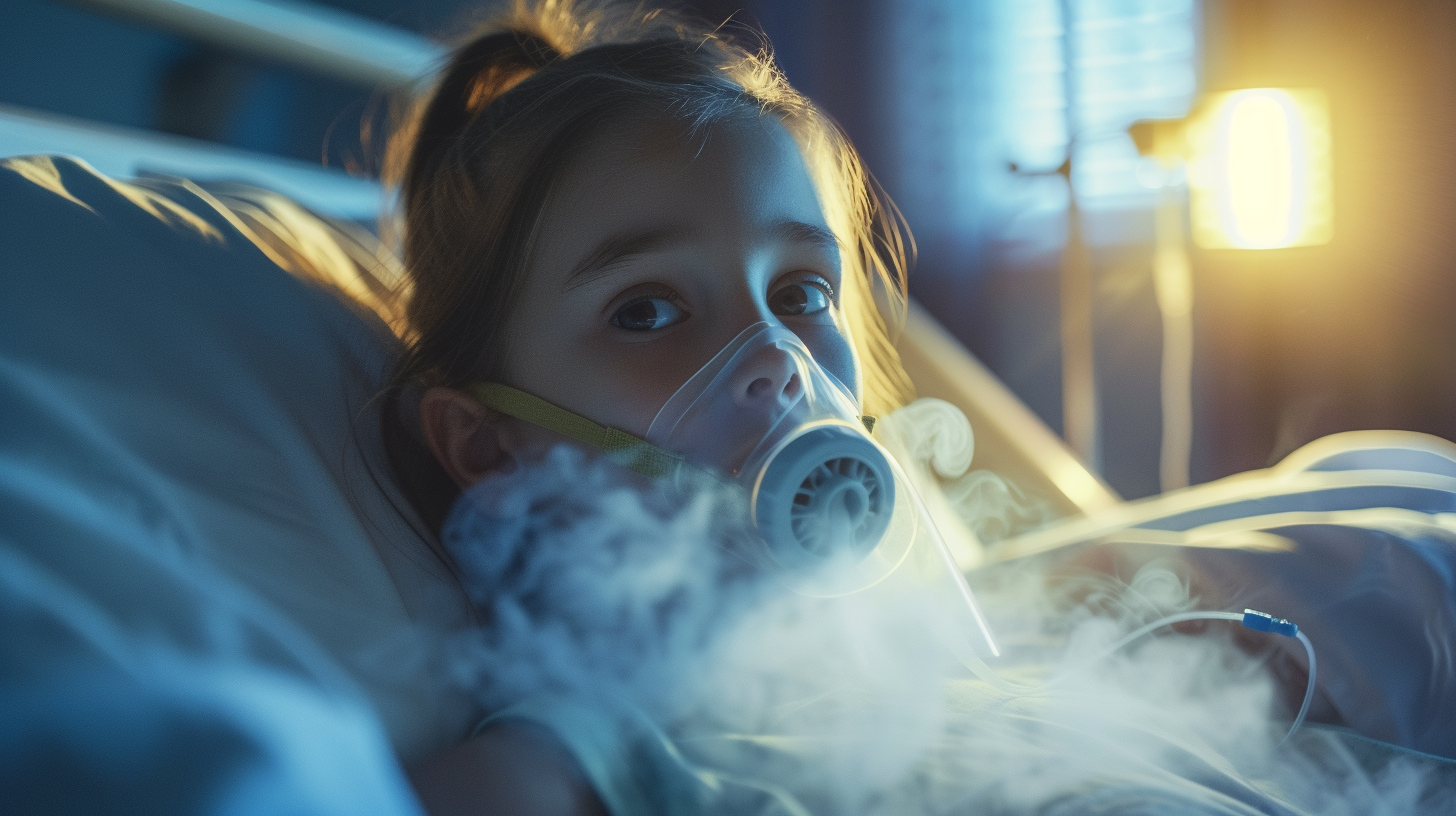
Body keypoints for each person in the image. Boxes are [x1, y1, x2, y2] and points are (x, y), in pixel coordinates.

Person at [377, 2, 915, 813]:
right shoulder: (604, 739)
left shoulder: (909, 656)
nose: (777, 358)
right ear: (491, 449)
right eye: (646, 310)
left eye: (802, 291)